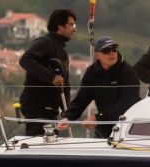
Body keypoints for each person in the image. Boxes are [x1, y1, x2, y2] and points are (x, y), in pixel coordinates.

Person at [57, 36, 140, 139]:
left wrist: (98, 118)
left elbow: (128, 103)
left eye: (114, 49)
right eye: (106, 51)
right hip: (103, 126)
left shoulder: (128, 71)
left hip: (127, 126)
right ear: (97, 55)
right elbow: (81, 99)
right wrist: (68, 117)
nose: (112, 53)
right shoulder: (91, 72)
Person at [18, 8, 77, 137]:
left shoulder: (61, 50)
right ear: (60, 26)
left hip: (50, 110)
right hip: (37, 108)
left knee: (51, 143)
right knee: (39, 144)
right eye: (71, 24)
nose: (75, 29)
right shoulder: (45, 42)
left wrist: (67, 113)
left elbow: (65, 84)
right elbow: (25, 60)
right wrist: (51, 77)